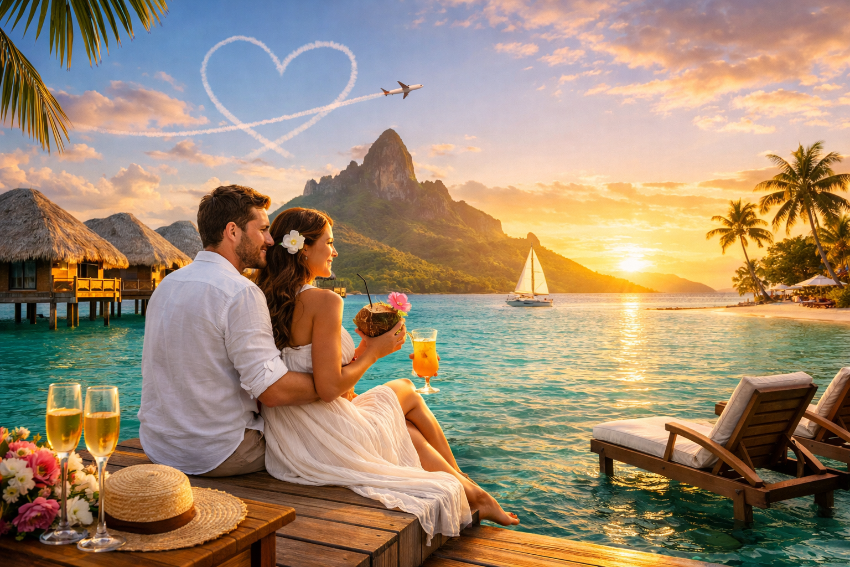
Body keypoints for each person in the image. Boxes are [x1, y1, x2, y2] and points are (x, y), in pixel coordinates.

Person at [256, 207, 519, 543]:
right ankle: (471, 489)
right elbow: (328, 387)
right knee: (407, 392)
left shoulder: (266, 298)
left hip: (291, 436)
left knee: (407, 421)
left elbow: (309, 367)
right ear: (304, 248)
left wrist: (364, 346)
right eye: (330, 242)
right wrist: (375, 352)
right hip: (322, 430)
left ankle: (469, 489)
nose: (335, 251)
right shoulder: (324, 301)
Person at [138, 185, 319, 477]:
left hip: (159, 447)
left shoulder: (167, 285)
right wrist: (332, 386)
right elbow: (272, 391)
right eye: (262, 229)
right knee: (343, 435)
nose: (270, 240)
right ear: (232, 231)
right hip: (221, 452)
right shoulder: (240, 292)